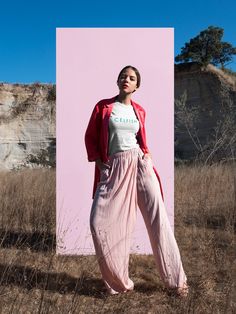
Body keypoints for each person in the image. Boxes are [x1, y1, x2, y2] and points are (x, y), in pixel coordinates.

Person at [84, 65, 189, 297]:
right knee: (97, 222)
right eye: (123, 76)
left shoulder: (139, 110)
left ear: (137, 85)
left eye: (131, 78)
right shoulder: (104, 107)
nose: (126, 80)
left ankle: (177, 283)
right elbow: (91, 137)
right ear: (117, 80)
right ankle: (120, 283)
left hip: (140, 165)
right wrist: (99, 163)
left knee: (158, 219)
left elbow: (140, 138)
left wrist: (147, 154)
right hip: (116, 166)